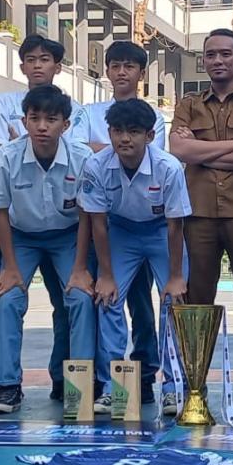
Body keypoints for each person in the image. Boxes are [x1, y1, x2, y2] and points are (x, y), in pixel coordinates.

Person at [0, 34, 86, 401]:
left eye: (51, 119)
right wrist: (9, 267)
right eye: (35, 118)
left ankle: (76, 386)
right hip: (21, 237)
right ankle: (8, 386)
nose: (43, 126)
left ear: (66, 125)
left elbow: (89, 215)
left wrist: (80, 267)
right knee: (8, 298)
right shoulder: (7, 157)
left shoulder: (82, 158)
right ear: (24, 120)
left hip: (68, 236)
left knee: (78, 300)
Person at [169, 28, 233, 385]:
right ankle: (191, 386)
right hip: (197, 216)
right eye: (211, 54)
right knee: (195, 302)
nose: (218, 60)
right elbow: (179, 151)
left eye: (225, 54)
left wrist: (203, 152)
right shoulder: (188, 104)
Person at [78, 99, 190, 417]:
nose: (125, 139)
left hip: (160, 232)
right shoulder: (96, 165)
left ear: (150, 136)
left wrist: (176, 276)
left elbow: (175, 225)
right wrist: (106, 274)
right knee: (108, 298)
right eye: (117, 131)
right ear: (109, 132)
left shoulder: (168, 167)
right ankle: (114, 388)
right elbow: (97, 223)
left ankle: (172, 387)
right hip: (121, 232)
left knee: (173, 300)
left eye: (134, 132)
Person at [78, 40, 167, 409]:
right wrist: (108, 149)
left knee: (153, 304)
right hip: (115, 226)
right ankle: (111, 383)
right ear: (107, 71)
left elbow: (146, 155)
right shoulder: (88, 111)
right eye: (114, 65)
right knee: (107, 295)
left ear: (141, 74)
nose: (121, 72)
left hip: (156, 224)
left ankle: (151, 375)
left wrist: (106, 146)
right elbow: (82, 154)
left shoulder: (155, 116)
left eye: (129, 66)